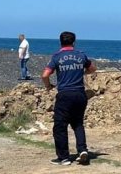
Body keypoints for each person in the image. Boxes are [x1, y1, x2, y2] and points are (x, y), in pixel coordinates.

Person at [42, 31, 96, 166]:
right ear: (74, 42)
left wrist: (48, 86)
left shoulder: (57, 57)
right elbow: (92, 69)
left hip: (65, 95)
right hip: (80, 95)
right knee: (77, 123)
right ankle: (82, 150)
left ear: (60, 42)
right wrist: (81, 71)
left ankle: (63, 158)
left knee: (60, 126)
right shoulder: (81, 55)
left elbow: (45, 75)